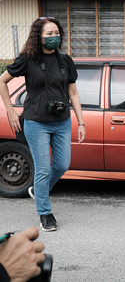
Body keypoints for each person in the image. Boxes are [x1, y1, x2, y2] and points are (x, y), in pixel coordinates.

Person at [0, 17, 86, 232]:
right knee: (43, 169)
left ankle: (38, 192)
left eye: (56, 32)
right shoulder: (27, 60)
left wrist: (81, 121)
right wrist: (10, 110)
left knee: (62, 165)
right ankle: (45, 213)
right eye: (48, 34)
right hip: (36, 121)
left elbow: (73, 93)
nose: (53, 37)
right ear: (38, 36)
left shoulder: (65, 61)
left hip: (62, 121)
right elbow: (2, 81)